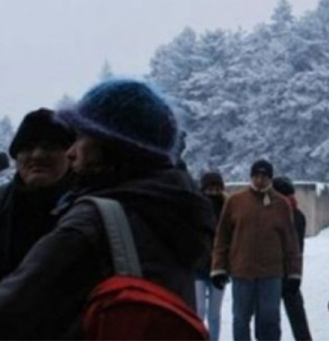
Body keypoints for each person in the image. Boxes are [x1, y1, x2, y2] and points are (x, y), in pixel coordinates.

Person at [0, 79, 216, 339]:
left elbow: (11, 307)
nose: (71, 152)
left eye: (81, 137)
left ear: (112, 145)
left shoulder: (93, 222)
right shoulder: (175, 207)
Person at [212, 159, 302, 341]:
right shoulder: (235, 202)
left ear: (270, 178)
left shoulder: (282, 204)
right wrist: (218, 267)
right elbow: (222, 236)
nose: (260, 180)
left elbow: (290, 242)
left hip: (271, 273)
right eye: (257, 175)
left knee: (269, 319)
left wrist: (294, 273)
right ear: (251, 177)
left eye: (265, 176)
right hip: (242, 271)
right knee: (241, 319)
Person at [0, 108, 75, 280]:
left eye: (50, 147)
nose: (38, 155)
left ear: (70, 155)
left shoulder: (89, 206)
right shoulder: (2, 202)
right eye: (27, 147)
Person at [272, 176, 313, 341]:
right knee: (297, 316)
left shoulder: (277, 213)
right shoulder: (298, 214)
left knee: (270, 317)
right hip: (292, 272)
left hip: (274, 271)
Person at [196, 171, 228, 341]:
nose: (213, 193)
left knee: (214, 312)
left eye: (216, 189)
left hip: (219, 267)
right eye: (210, 189)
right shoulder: (196, 207)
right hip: (199, 265)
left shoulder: (227, 208)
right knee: (199, 310)